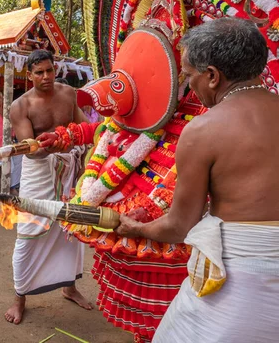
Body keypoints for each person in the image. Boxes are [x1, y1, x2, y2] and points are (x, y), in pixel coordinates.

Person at [115, 18, 279, 342]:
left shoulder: (204, 131)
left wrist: (136, 229)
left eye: (188, 75)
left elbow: (179, 226)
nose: (188, 84)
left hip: (237, 285)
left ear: (213, 76)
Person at [6, 49, 92, 324]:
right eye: (39, 72)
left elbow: (84, 127)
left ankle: (70, 287)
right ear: (28, 75)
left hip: (70, 169)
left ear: (56, 70)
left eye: (49, 70)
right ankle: (19, 297)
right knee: (29, 231)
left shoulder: (69, 93)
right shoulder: (20, 106)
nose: (45, 76)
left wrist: (77, 141)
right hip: (39, 171)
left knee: (70, 229)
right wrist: (53, 143)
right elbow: (29, 150)